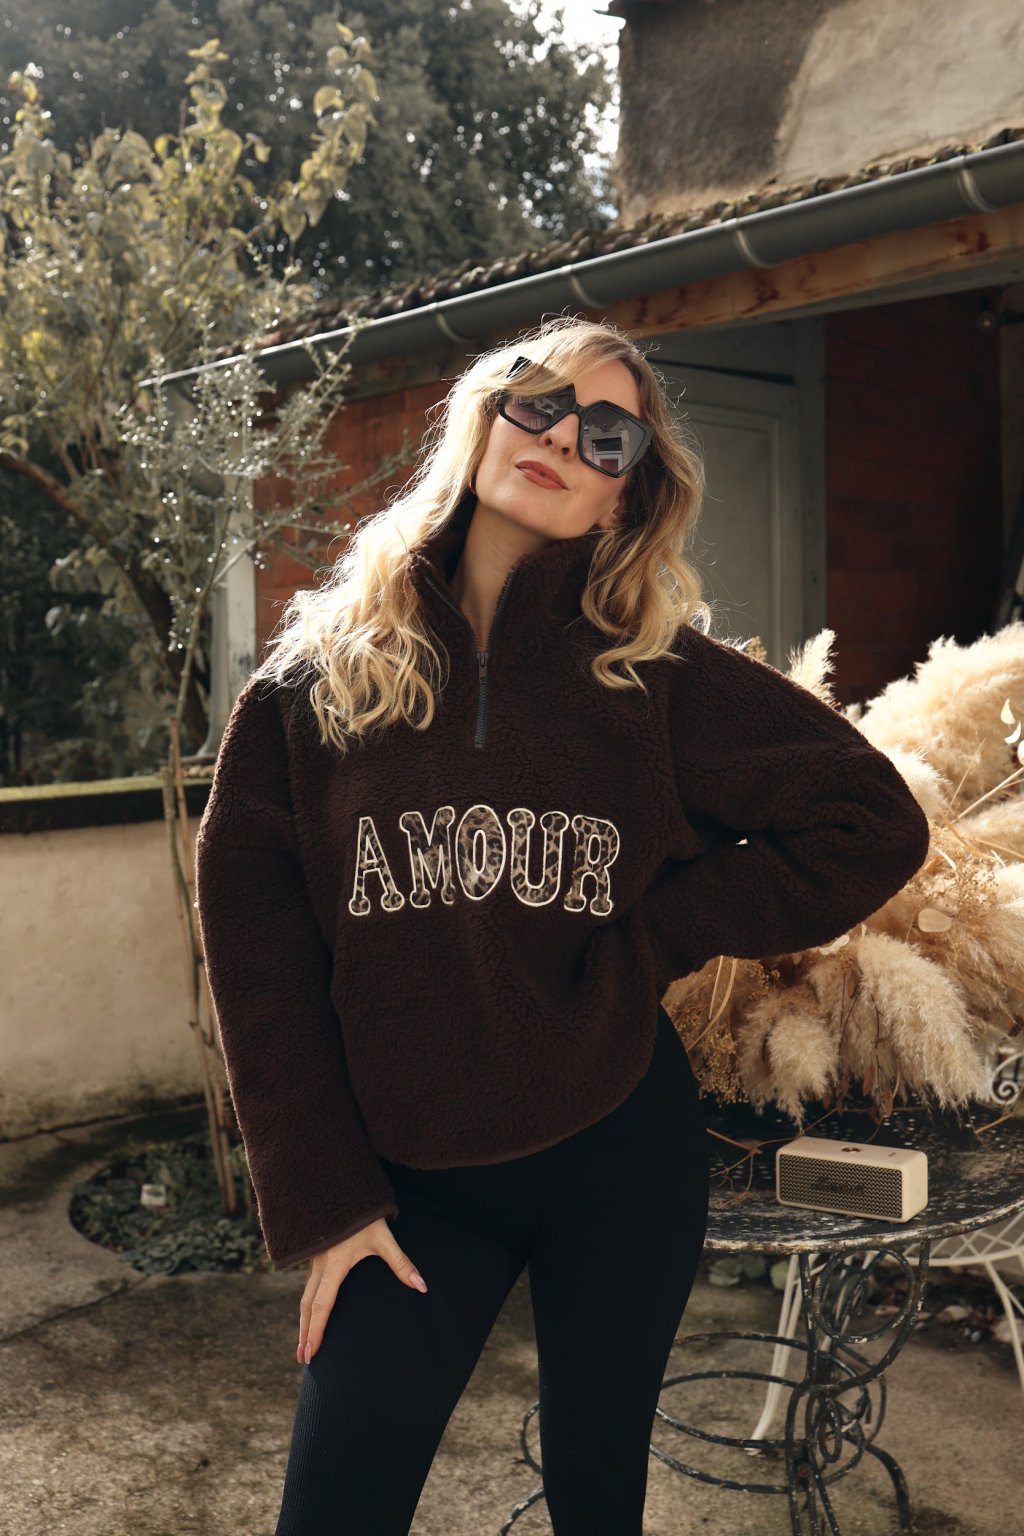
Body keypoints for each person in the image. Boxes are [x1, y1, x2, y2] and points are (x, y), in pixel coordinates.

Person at [194, 315, 931, 1535]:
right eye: (535, 403)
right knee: (333, 1508)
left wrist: (657, 932)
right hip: (411, 1178)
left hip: (615, 1147)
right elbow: (259, 958)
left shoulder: (651, 678)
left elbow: (871, 821)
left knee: (599, 1503)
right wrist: (324, 1198)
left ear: (620, 497)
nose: (559, 440)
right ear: (483, 421)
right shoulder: (311, 687)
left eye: (605, 436)